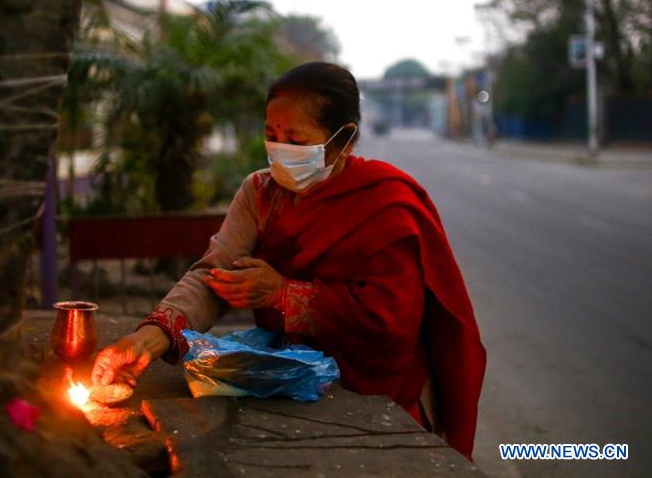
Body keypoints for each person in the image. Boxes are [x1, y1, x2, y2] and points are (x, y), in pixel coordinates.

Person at [91, 61, 486, 460]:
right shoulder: (259, 193)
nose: (280, 150)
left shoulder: (387, 204)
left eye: (295, 140)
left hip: (377, 398)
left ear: (345, 139)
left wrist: (283, 294)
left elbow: (390, 322)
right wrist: (147, 340)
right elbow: (214, 275)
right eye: (271, 136)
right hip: (284, 386)